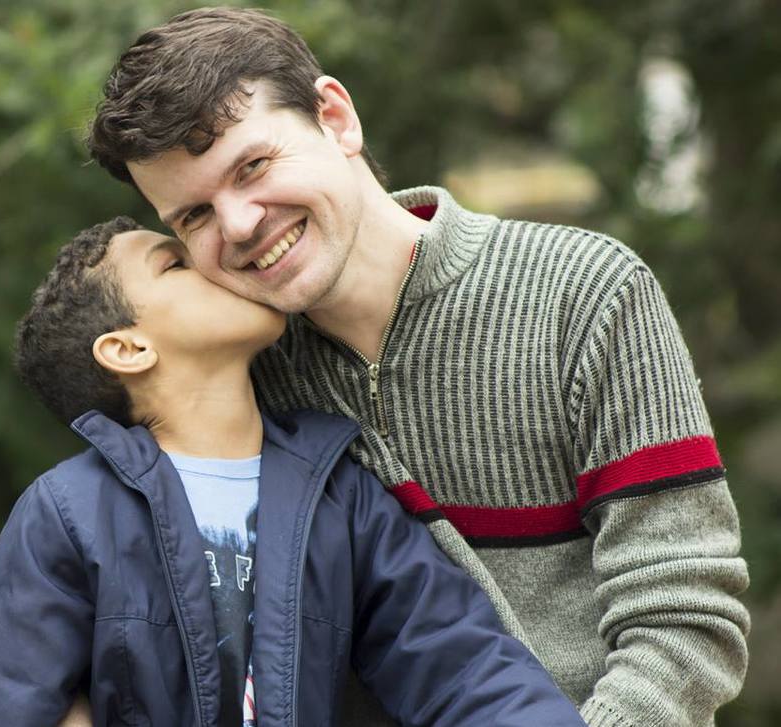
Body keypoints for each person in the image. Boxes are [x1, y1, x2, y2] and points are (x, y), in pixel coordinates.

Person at [85, 7, 751, 726]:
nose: (240, 224)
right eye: (195, 216)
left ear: (335, 118)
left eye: (253, 167)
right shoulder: (237, 381)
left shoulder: (584, 294)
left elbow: (684, 617)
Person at [0, 217, 586, 726]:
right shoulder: (69, 511)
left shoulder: (342, 497)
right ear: (128, 348)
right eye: (176, 263)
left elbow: (463, 668)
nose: (216, 261)